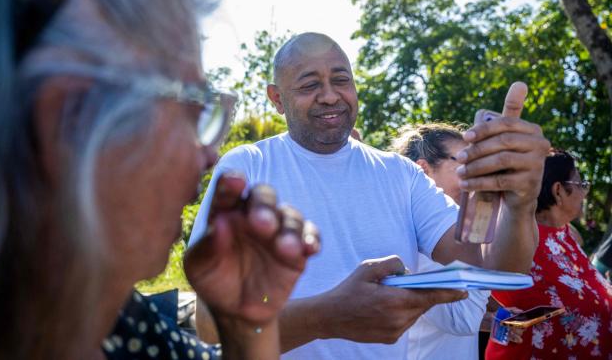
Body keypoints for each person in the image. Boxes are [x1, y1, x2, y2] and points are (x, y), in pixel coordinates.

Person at [0, 0, 319, 359]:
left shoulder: (126, 324)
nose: (208, 156)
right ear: (68, 124)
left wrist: (249, 323)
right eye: (192, 107)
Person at [189, 32, 550, 359]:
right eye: (309, 84)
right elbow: (208, 324)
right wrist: (327, 317)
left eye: (341, 80)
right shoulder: (250, 167)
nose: (330, 95)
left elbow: (490, 264)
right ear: (277, 98)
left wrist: (521, 201)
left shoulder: (401, 174)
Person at [391, 123, 523, 360]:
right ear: (423, 170)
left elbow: (442, 316)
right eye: (468, 165)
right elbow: (460, 320)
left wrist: (493, 321)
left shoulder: (445, 236)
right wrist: (483, 217)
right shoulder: (415, 242)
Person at [486, 150, 612, 358]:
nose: (585, 192)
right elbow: (488, 302)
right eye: (580, 184)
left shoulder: (568, 234)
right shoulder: (517, 240)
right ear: (558, 190)